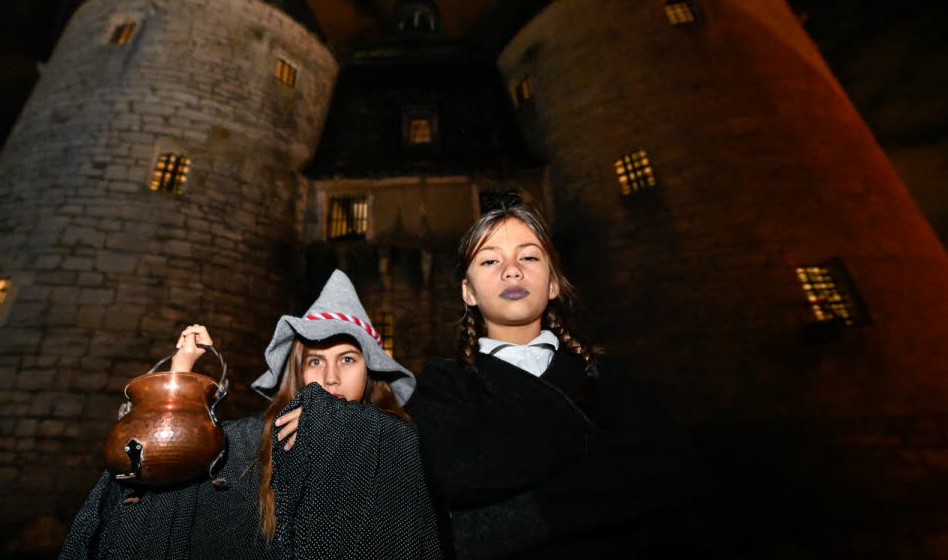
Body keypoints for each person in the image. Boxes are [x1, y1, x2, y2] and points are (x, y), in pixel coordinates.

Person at [59, 270, 441, 560]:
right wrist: (178, 385)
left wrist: (350, 430)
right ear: (298, 371)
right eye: (315, 361)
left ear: (368, 370)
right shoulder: (245, 442)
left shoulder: (397, 441)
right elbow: (166, 476)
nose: (330, 377)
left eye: (347, 359)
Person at [407, 205, 707, 559]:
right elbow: (458, 476)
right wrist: (602, 452)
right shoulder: (444, 383)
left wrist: (526, 518)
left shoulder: (606, 375)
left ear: (552, 284)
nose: (512, 271)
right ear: (468, 292)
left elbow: (678, 471)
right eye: (489, 261)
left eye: (529, 257)